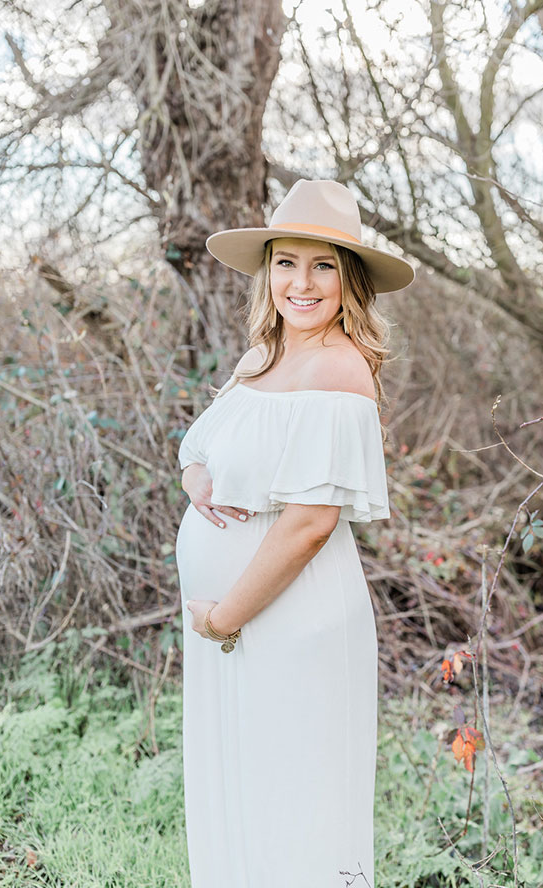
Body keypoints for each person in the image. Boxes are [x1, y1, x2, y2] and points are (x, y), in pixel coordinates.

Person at [175, 178, 414, 888]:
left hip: (288, 621)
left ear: (349, 283)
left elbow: (310, 525)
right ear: (267, 271)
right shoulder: (259, 359)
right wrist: (196, 478)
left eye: (322, 266)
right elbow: (201, 451)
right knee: (244, 790)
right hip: (231, 626)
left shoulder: (339, 369)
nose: (300, 283)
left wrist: (223, 618)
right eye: (286, 262)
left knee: (297, 804)